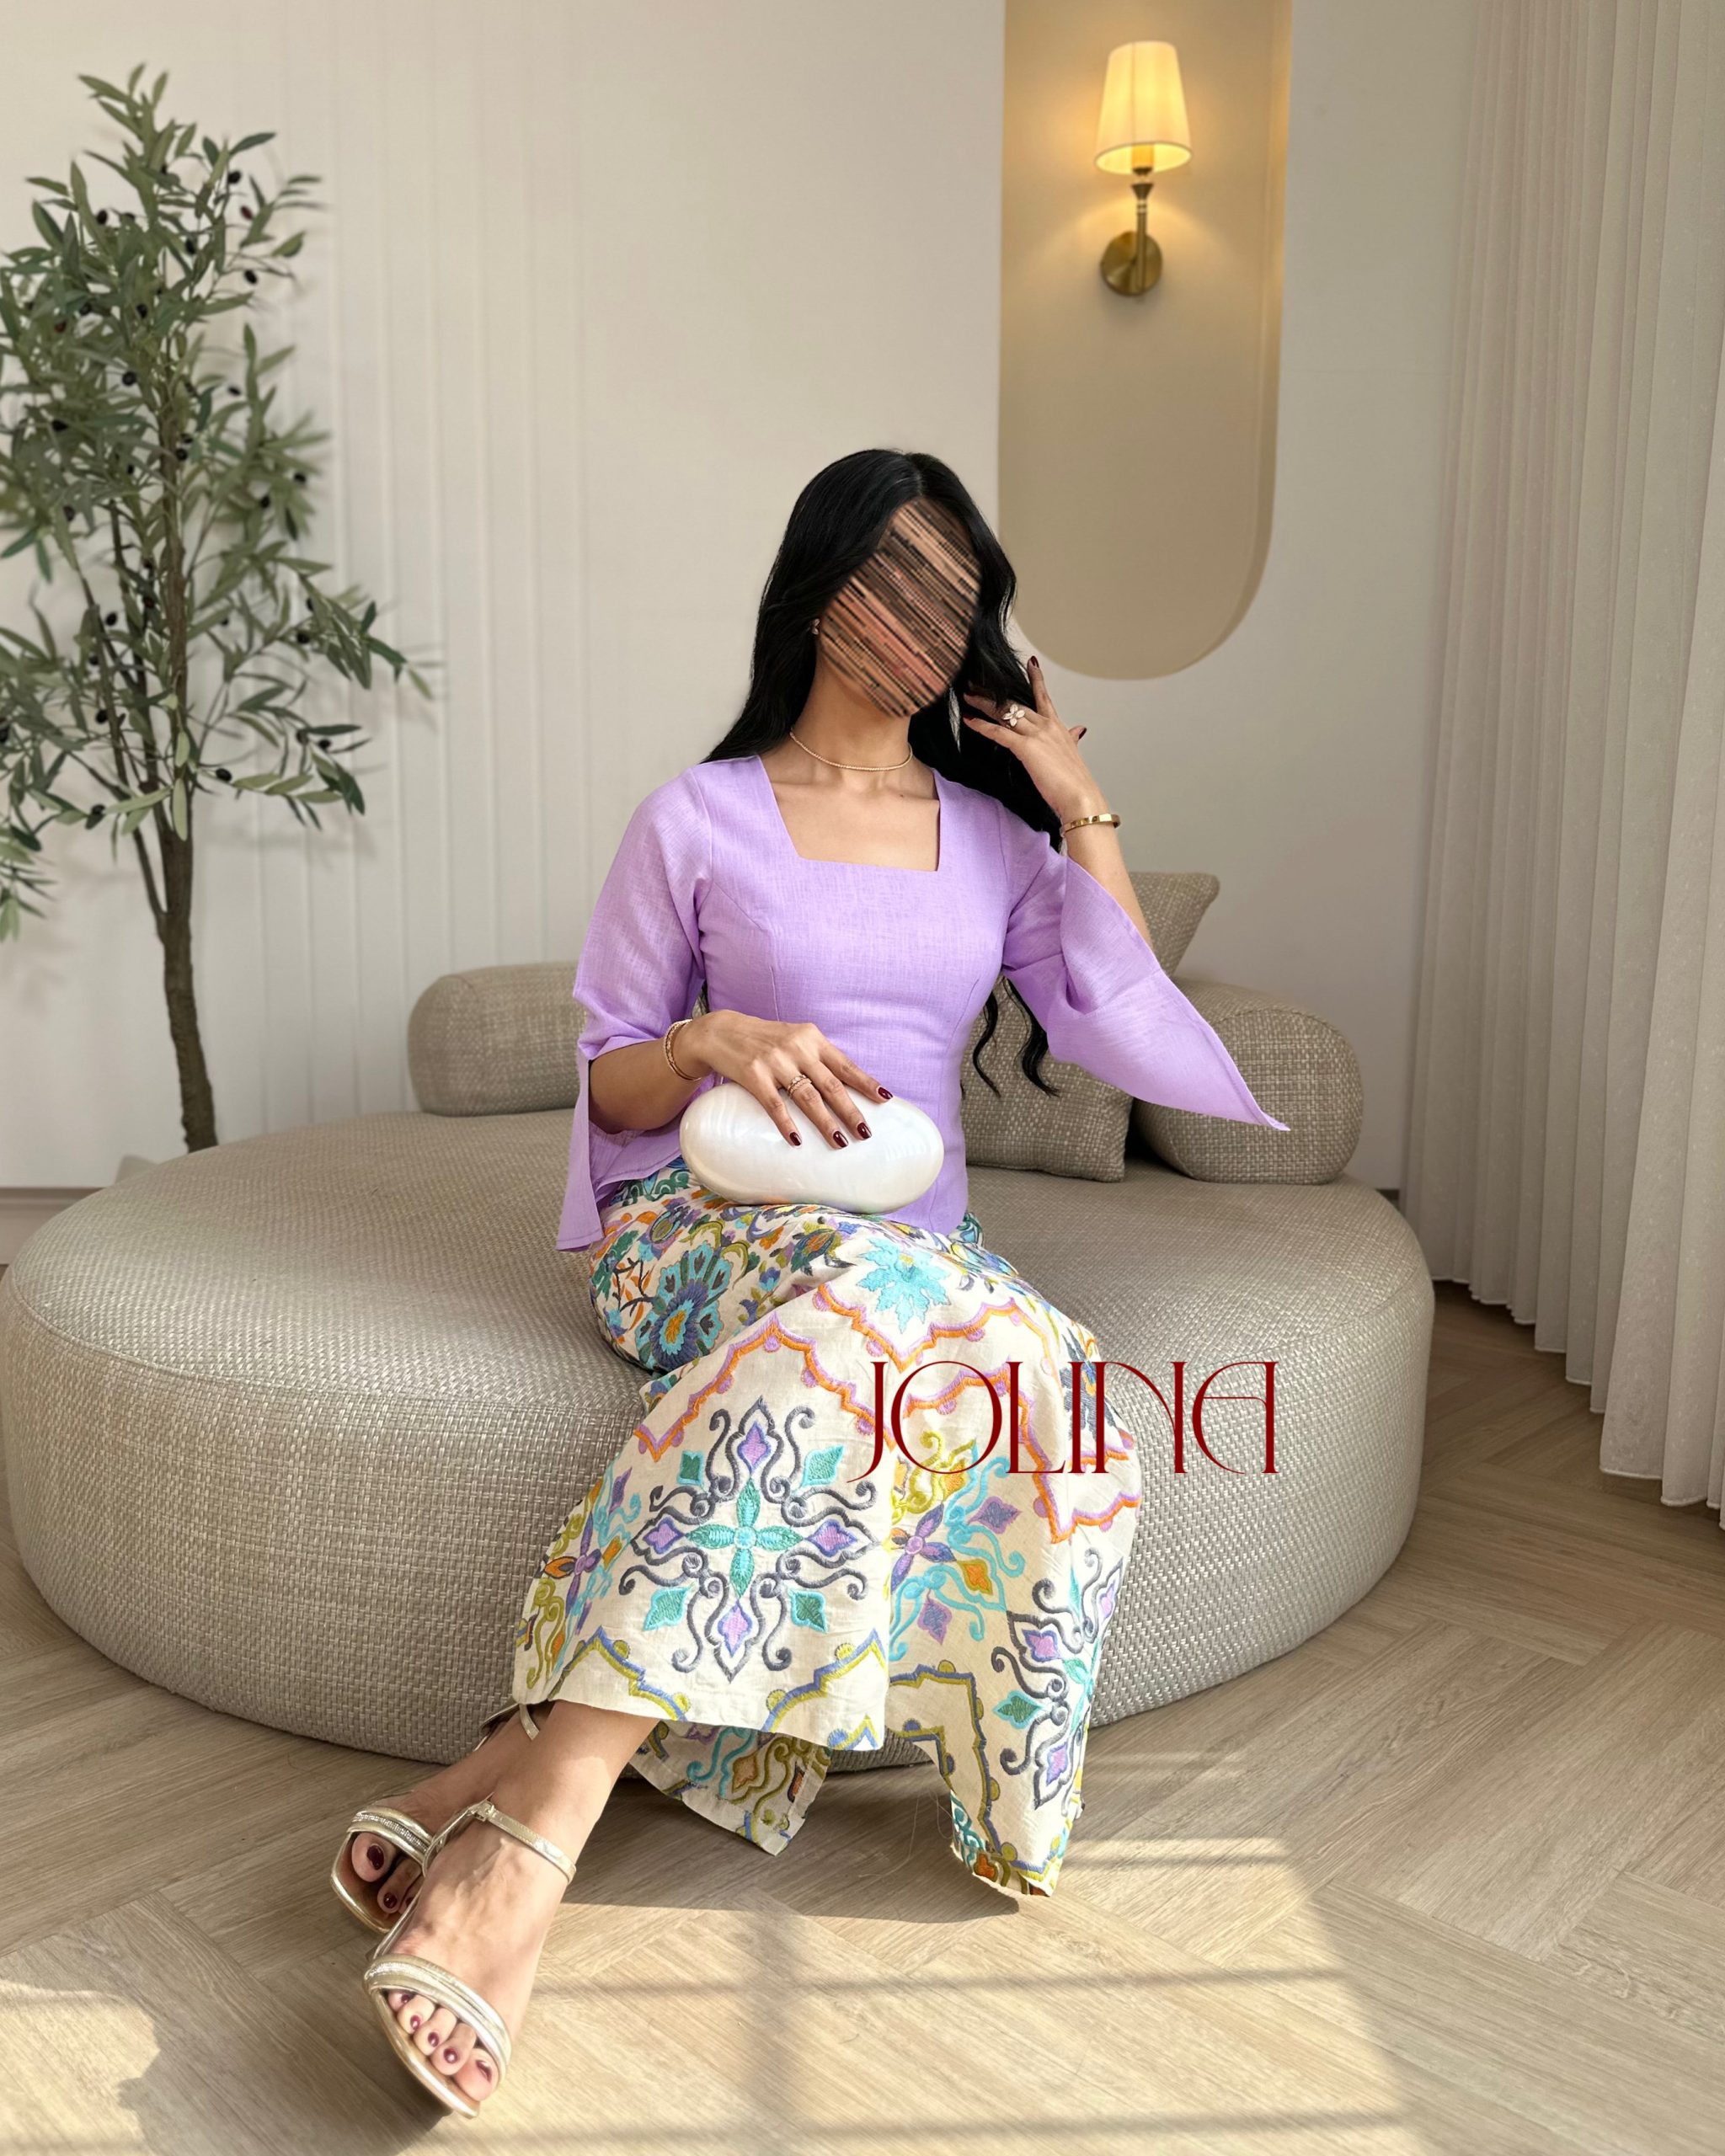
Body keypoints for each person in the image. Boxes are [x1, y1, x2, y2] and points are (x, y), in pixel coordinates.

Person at [335, 448, 1290, 2116]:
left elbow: (1115, 1012)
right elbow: (611, 1085)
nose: (926, 619)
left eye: (955, 593)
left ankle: (512, 1763)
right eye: (896, 578)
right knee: (897, 1320)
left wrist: (1076, 798)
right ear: (819, 587)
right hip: (699, 1233)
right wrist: (709, 1037)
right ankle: (537, 1835)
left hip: (910, 1261)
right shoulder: (695, 816)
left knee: (1049, 1381)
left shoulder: (991, 839)